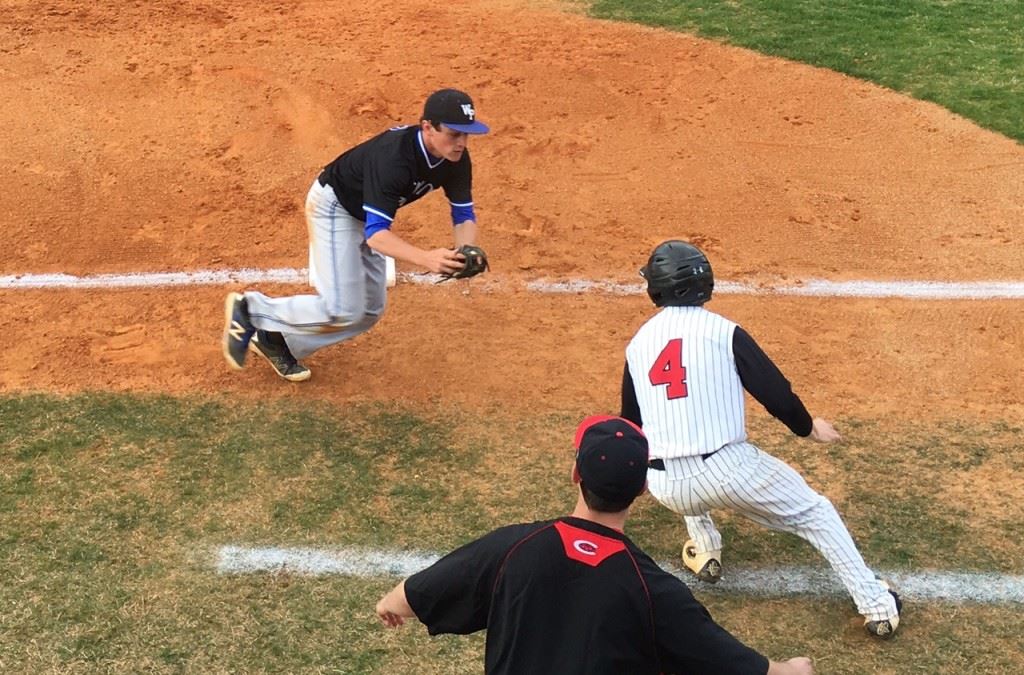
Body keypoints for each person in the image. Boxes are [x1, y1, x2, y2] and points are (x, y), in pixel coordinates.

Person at [375, 415, 816, 675]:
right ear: (643, 489)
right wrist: (793, 668)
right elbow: (746, 669)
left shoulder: (511, 548)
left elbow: (407, 598)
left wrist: (392, 604)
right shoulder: (656, 593)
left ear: (575, 475)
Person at [620, 240, 903, 639]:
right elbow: (775, 393)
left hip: (665, 484)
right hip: (728, 473)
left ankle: (705, 550)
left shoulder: (638, 345)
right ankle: (877, 604)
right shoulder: (723, 332)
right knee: (816, 514)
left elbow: (631, 423)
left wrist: (635, 476)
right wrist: (808, 427)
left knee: (679, 444)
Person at [221, 88, 490, 382]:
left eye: (466, 135)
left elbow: (463, 214)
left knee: (369, 311)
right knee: (342, 308)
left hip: (366, 214)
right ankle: (251, 310)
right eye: (454, 134)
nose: (462, 143)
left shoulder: (455, 159)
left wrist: (466, 249)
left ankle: (278, 340)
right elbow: (377, 236)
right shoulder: (395, 160)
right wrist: (426, 258)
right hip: (335, 206)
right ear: (428, 127)